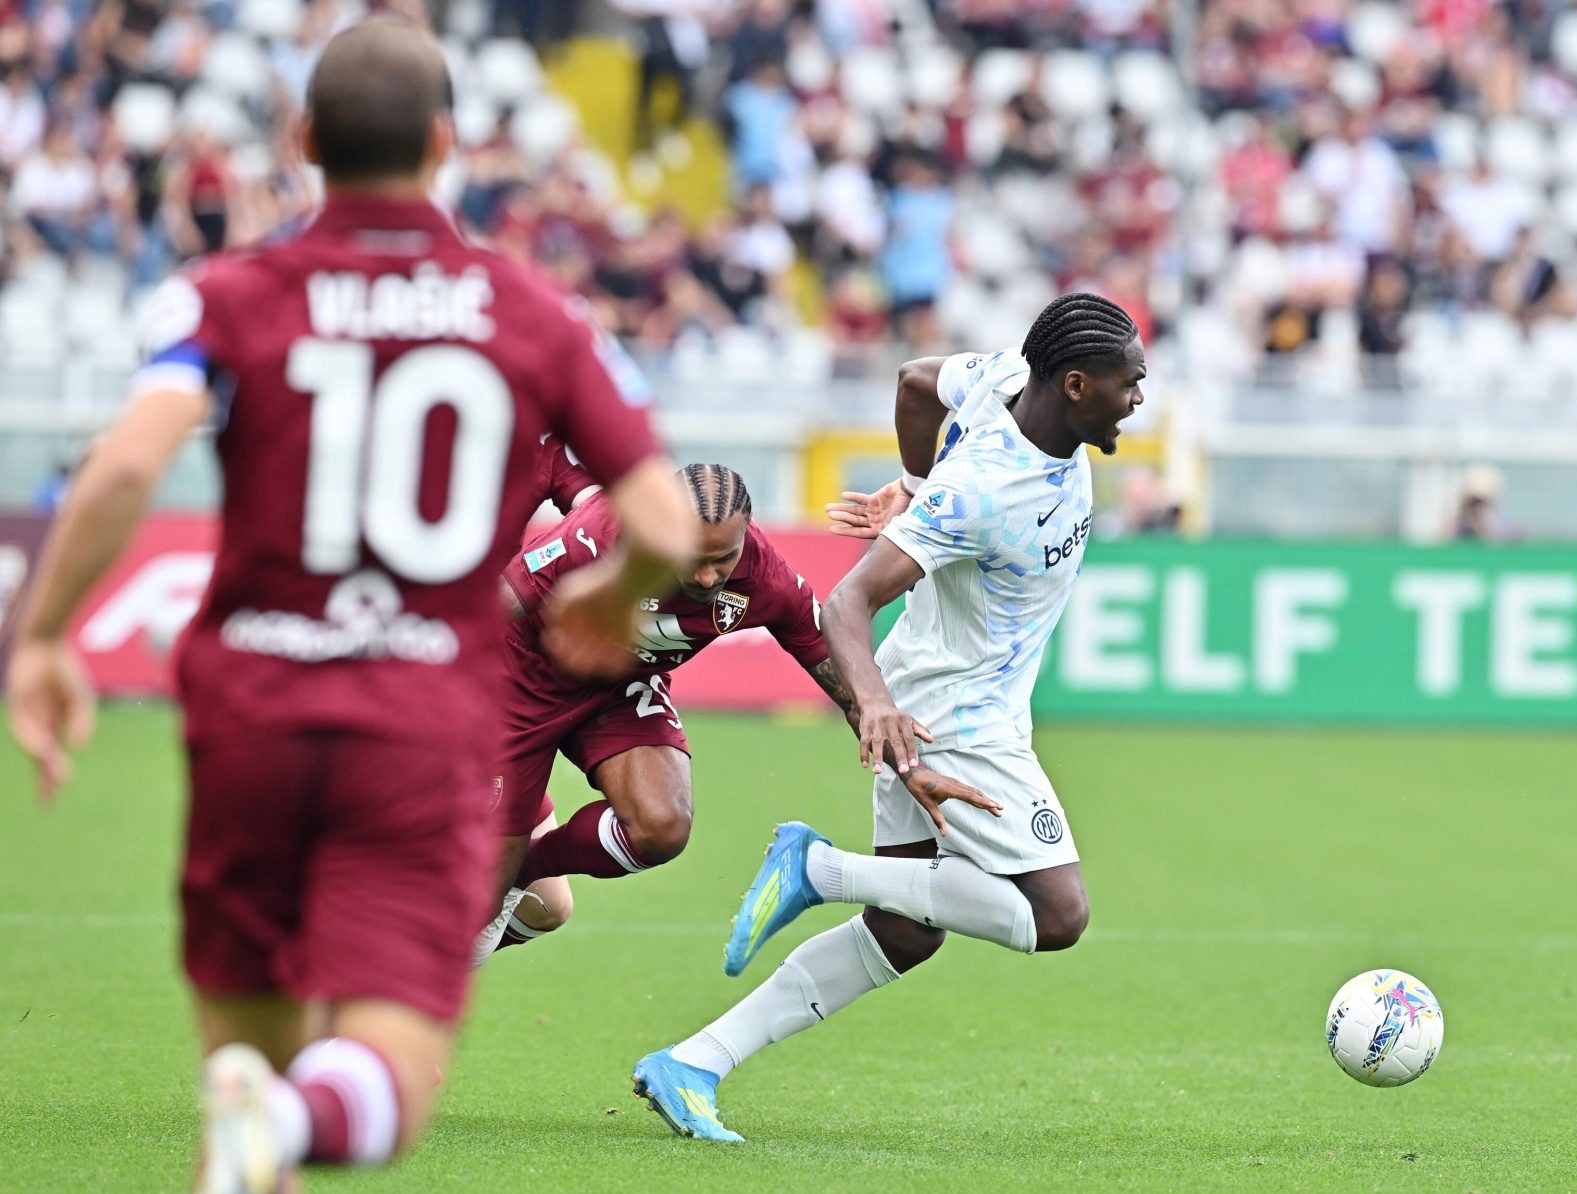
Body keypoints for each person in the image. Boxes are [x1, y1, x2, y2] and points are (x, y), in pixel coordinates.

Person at [3, 18, 697, 1193]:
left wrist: (44, 635)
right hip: (417, 723)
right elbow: (669, 523)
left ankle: (264, 1118)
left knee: (245, 1072)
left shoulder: (221, 293)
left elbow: (122, 471)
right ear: (445, 144)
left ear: (304, 139)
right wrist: (615, 592)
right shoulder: (537, 315)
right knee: (378, 1079)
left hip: (251, 713)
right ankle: (293, 1119)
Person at [631, 293, 1147, 1141]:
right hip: (957, 717)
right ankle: (818, 869)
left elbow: (913, 381)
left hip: (936, 685)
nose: (1138, 399)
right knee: (1057, 916)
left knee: (904, 933)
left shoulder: (1005, 377)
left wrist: (910, 487)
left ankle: (694, 1062)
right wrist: (875, 703)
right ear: (1077, 385)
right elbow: (846, 602)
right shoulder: (984, 491)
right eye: (1129, 384)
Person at [476, 462, 973, 963]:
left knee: (660, 828)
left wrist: (912, 770)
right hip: (520, 686)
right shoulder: (603, 534)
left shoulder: (767, 578)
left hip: (622, 688)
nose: (706, 576)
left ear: (747, 532)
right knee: (480, 906)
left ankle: (518, 874)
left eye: (723, 559)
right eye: (692, 557)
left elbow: (849, 692)